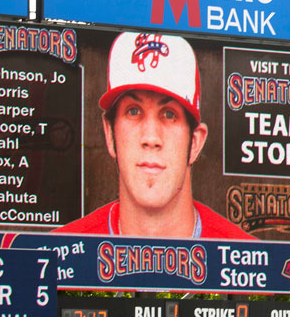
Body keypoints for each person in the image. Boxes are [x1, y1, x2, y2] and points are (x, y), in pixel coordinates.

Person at [56, 31, 254, 239]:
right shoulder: (61, 251)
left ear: (195, 142)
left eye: (169, 115)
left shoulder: (245, 256)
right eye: (133, 111)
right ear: (109, 133)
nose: (151, 138)